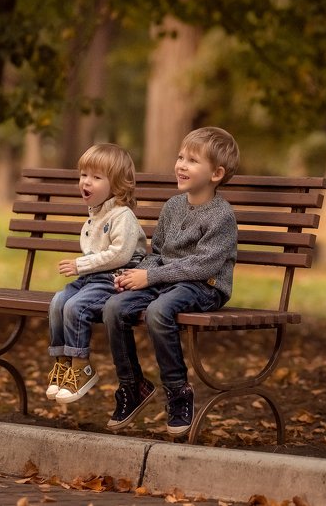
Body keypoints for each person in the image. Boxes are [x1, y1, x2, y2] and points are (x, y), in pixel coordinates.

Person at [104, 126, 240, 436]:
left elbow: (203, 265)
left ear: (216, 173)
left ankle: (178, 391)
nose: (181, 165)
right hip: (167, 281)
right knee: (113, 307)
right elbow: (159, 252)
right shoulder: (173, 206)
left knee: (158, 311)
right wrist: (133, 275)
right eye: (180, 157)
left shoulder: (221, 216)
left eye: (192, 160)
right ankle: (132, 385)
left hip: (206, 286)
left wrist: (150, 276)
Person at [45, 143, 147, 404]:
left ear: (117, 186)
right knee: (58, 301)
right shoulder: (94, 216)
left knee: (76, 306)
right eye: (83, 175)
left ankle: (82, 367)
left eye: (96, 177)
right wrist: (84, 269)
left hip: (115, 279)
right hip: (93, 278)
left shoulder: (122, 215)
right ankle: (63, 363)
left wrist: (81, 265)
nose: (85, 182)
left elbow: (120, 255)